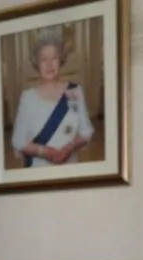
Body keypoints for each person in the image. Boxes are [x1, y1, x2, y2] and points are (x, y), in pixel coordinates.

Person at [10, 27, 95, 168]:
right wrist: (45, 152)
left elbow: (87, 131)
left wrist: (69, 148)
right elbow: (18, 141)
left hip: (70, 168)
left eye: (54, 58)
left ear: (61, 60)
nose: (49, 64)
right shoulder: (27, 97)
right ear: (37, 63)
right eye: (44, 59)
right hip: (39, 171)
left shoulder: (75, 91)